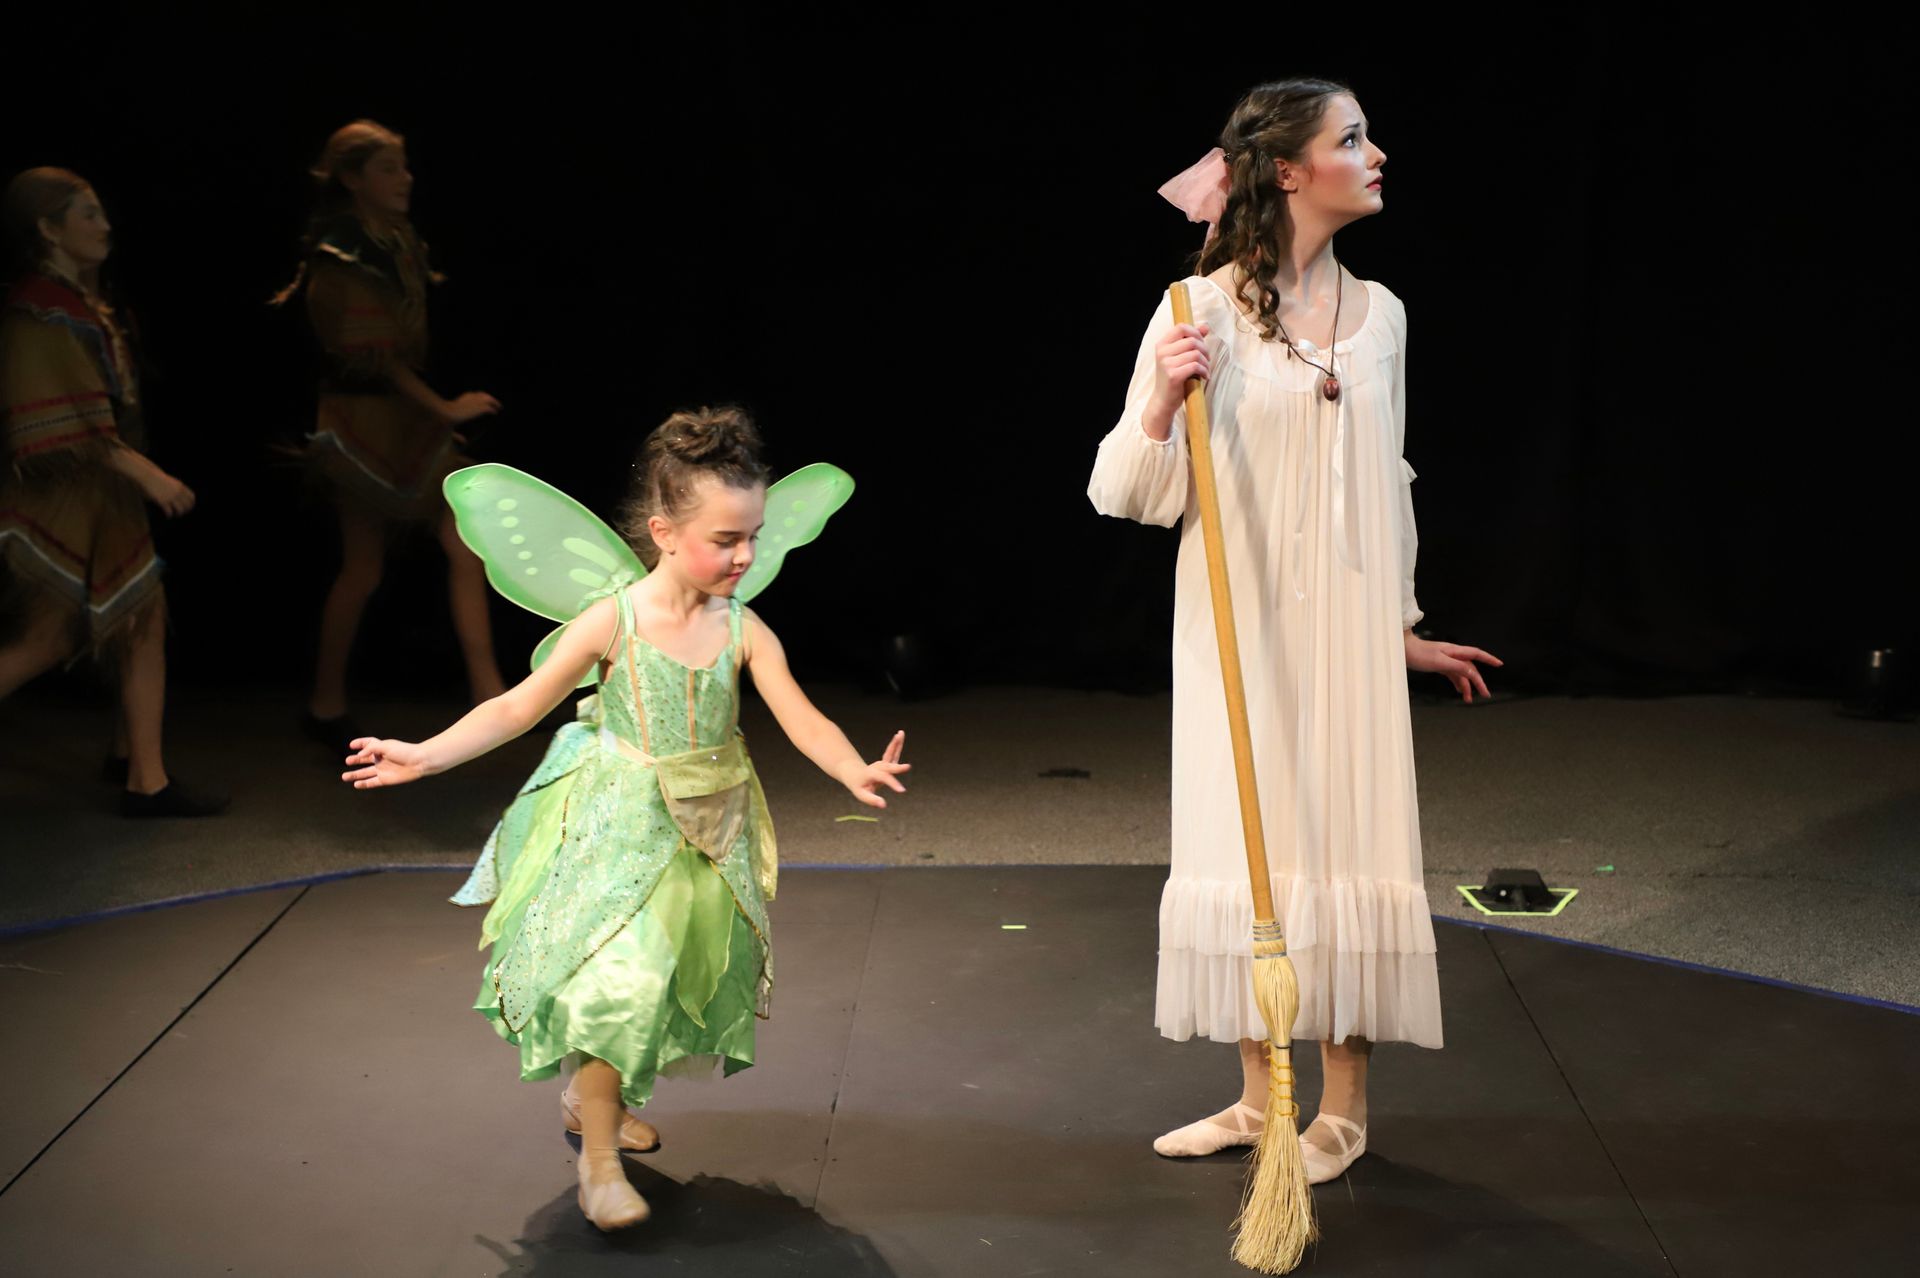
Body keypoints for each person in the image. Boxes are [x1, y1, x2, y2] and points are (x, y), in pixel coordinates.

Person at [341, 407, 908, 1230]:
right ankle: (600, 1166)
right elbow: (514, 707)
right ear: (664, 533)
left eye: (753, 536)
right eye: (725, 539)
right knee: (618, 982)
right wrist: (425, 754)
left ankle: (588, 1098)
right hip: (617, 824)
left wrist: (850, 765)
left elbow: (802, 717)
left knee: (669, 982)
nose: (746, 555)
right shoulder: (614, 620)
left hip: (706, 832)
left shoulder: (745, 629)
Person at [1088, 79, 1501, 1183]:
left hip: (1351, 631)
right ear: (1287, 170)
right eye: (1352, 139)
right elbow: (1125, 490)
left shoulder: (1387, 317)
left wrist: (1402, 625)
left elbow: (1391, 479)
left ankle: (1343, 1108)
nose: (1376, 155)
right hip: (1242, 623)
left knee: (1346, 839)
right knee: (1247, 842)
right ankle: (1257, 1095)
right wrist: (1162, 408)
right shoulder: (1197, 308)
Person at [272, 120, 505, 753]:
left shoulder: (393, 239)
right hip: (361, 426)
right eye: (388, 169)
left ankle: (488, 696)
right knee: (364, 567)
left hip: (404, 421)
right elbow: (374, 357)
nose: (405, 179)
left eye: (404, 166)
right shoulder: (343, 253)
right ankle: (324, 702)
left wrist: (434, 411)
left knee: (463, 543)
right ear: (352, 179)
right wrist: (447, 409)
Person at [0, 167, 226, 816]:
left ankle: (140, 771)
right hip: (68, 497)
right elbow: (59, 421)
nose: (104, 227)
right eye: (87, 215)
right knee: (51, 638)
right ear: (47, 228)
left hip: (102, 495)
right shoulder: (39, 312)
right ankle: (142, 776)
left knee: (139, 622)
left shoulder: (76, 303)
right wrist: (147, 474)